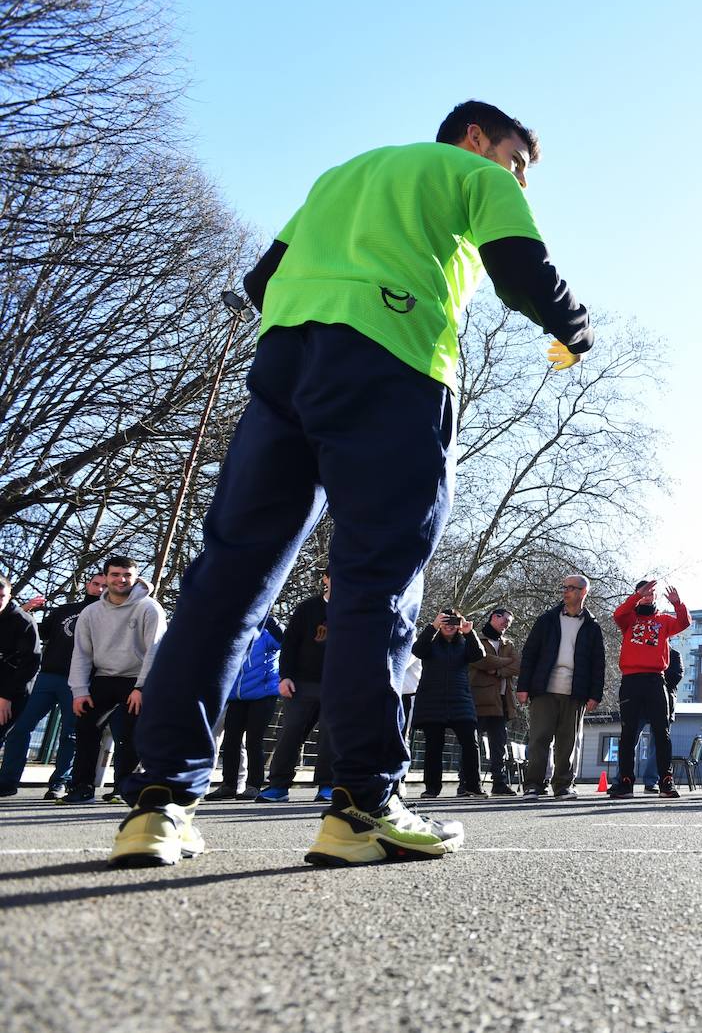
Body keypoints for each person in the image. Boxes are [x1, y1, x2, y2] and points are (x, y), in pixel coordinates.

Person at [107, 100, 591, 869]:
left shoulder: (341, 177)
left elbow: (260, 280)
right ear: (476, 138)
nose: (520, 180)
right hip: (393, 365)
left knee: (226, 581)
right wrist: (573, 325)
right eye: (518, 162)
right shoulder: (475, 175)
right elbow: (519, 269)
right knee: (377, 579)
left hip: (285, 366)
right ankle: (361, 804)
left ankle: (159, 801)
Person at [64, 558, 166, 804]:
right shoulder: (91, 612)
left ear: (135, 577)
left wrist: (142, 687)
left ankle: (125, 787)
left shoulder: (149, 608)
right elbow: (81, 653)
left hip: (136, 680)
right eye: (115, 574)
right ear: (106, 577)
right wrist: (79, 690)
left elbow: (155, 650)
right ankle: (82, 787)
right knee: (86, 729)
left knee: (129, 734)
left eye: (127, 575)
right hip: (103, 677)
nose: (121, 579)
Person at [0, 572, 106, 799]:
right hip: (47, 677)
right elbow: (37, 632)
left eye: (104, 586)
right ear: (88, 585)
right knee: (19, 728)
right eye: (95, 584)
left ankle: (59, 783)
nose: (99, 589)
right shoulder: (64, 610)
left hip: (80, 682)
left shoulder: (109, 616)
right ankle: (7, 781)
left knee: (70, 734)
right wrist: (25, 609)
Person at [517, 575, 605, 799]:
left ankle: (564, 785)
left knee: (569, 742)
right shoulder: (546, 620)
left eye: (571, 588)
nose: (565, 591)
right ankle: (534, 785)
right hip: (543, 689)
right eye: (564, 587)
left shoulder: (592, 626)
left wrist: (595, 694)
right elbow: (529, 654)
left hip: (576, 692)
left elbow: (598, 663)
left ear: (584, 592)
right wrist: (523, 686)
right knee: (539, 739)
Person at [608, 580, 690, 799]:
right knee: (628, 733)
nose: (647, 595)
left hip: (655, 680)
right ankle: (625, 781)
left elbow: (684, 622)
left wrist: (678, 604)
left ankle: (665, 781)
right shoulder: (629, 619)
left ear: (655, 597)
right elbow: (618, 614)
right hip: (631, 680)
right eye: (643, 592)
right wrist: (636, 597)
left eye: (650, 592)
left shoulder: (663, 620)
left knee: (662, 733)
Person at [256, 574, 333, 803]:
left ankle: (328, 785)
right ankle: (278, 785)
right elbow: (289, 643)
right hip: (302, 682)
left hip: (336, 684)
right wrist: (285, 676)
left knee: (330, 736)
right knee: (291, 732)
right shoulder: (307, 608)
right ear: (325, 579)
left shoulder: (353, 610)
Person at [205, 616, 283, 800]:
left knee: (254, 740)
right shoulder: (234, 631)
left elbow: (284, 642)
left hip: (263, 694)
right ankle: (229, 785)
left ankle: (254, 785)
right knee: (231, 740)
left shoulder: (267, 630)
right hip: (237, 696)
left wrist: (272, 622)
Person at [413, 610, 487, 798]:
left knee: (470, 743)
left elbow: (479, 655)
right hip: (431, 700)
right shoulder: (430, 642)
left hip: (460, 699)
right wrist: (432, 626)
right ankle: (431, 788)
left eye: (454, 622)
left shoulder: (465, 643)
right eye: (445, 621)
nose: (449, 626)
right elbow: (417, 650)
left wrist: (470, 633)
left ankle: (473, 786)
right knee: (433, 746)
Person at [469, 608, 520, 796]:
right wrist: (505, 661)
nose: (507, 624)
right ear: (494, 617)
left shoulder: (508, 644)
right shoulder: (476, 640)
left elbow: (517, 665)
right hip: (480, 700)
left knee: (499, 745)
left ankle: (499, 783)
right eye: (504, 620)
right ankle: (466, 783)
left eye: (509, 622)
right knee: (471, 744)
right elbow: (480, 660)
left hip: (502, 701)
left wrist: (498, 670)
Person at [0, 577, 42, 776]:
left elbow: (30, 664)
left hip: (11, 690)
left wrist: (6, 697)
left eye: (2, 596)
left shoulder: (23, 622)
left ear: (10, 596)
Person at [643, 647, 684, 793]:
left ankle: (651, 781)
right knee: (630, 739)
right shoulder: (646, 651)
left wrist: (656, 681)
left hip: (665, 705)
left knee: (658, 744)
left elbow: (676, 677)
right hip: (642, 701)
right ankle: (622, 779)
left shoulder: (674, 655)